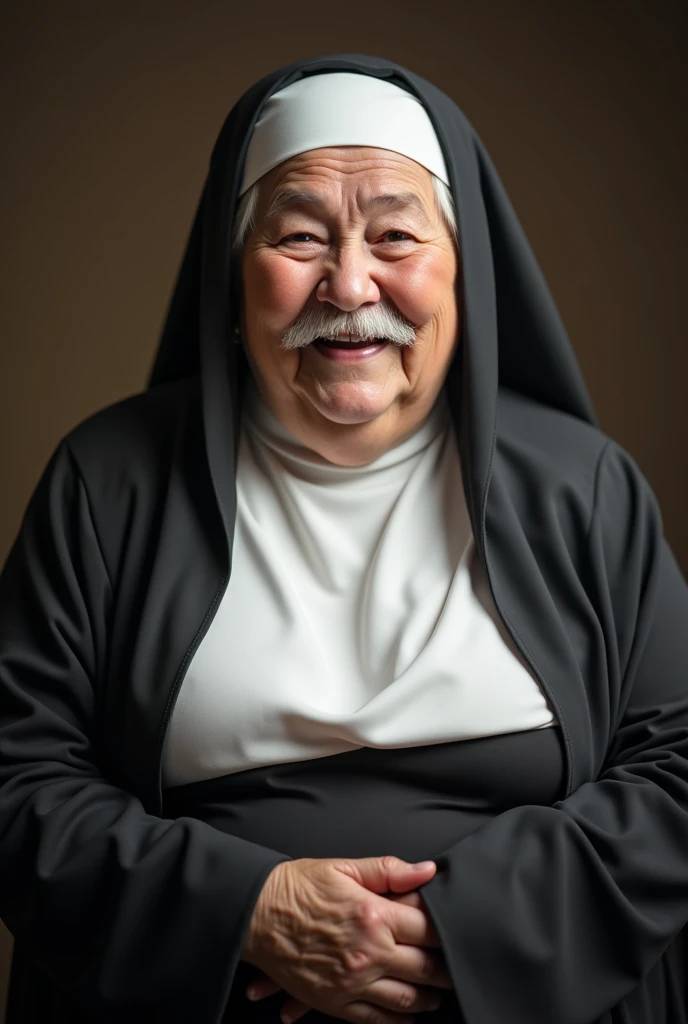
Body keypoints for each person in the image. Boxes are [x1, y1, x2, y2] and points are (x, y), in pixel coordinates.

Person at [0, 51, 687, 1024]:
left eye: (396, 235)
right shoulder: (107, 484)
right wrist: (244, 907)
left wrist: (467, 920)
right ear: (233, 277)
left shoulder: (584, 488)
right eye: (298, 237)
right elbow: (16, 774)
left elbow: (676, 771)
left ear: (462, 268)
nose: (349, 281)